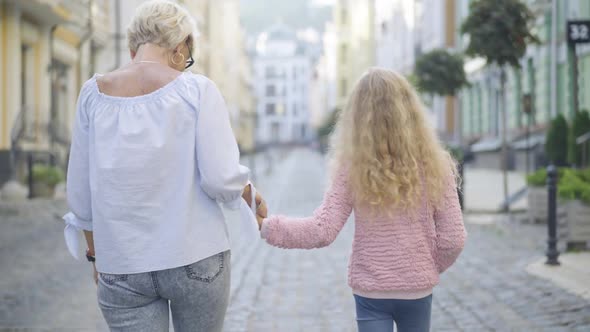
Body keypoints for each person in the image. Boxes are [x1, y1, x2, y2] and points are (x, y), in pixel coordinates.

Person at [62, 1, 266, 331]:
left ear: (133, 47)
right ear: (180, 45)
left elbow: (81, 196)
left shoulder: (92, 94)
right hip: (196, 258)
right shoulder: (197, 90)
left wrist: (96, 256)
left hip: (123, 264)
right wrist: (249, 194)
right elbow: (220, 178)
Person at [259, 68, 467, 332]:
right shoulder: (436, 165)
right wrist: (427, 266)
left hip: (371, 291)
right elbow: (454, 239)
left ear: (357, 117)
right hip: (417, 289)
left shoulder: (353, 168)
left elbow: (321, 230)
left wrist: (269, 226)